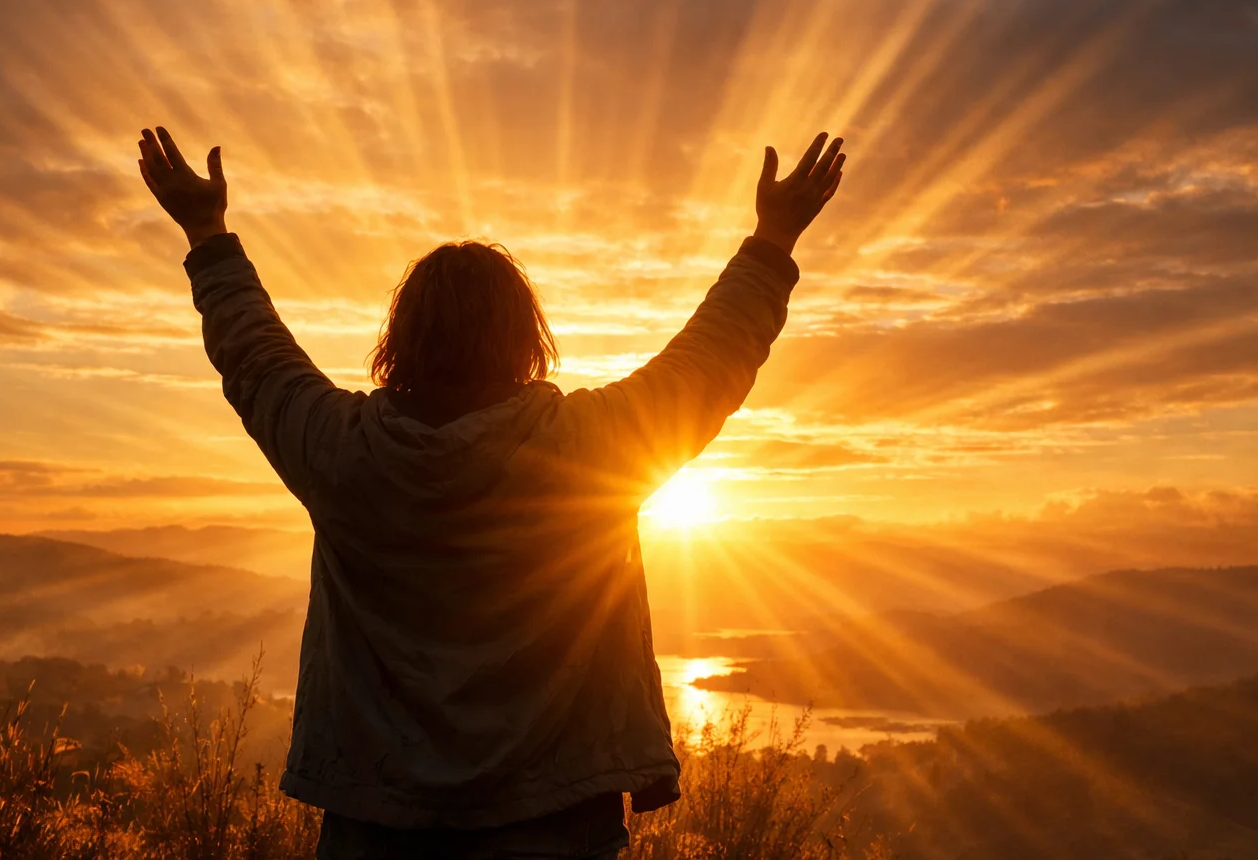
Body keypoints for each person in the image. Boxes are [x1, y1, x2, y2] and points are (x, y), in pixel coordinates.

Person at [137, 126, 846, 859]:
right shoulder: (588, 449)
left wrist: (207, 232)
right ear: (524, 338)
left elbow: (255, 356)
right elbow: (710, 362)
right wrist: (773, 238)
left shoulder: (342, 453)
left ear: (401, 339)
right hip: (558, 819)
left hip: (378, 826)